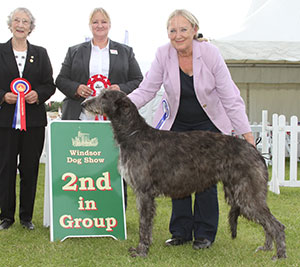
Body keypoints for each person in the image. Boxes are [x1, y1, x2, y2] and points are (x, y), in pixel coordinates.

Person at [128, 9, 255, 250]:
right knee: (177, 179)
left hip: (209, 122)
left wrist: (246, 134)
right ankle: (181, 232)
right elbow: (146, 90)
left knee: (205, 180)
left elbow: (230, 96)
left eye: (183, 29)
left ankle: (205, 233)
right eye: (172, 30)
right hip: (176, 123)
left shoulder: (210, 54)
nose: (178, 35)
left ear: (194, 30)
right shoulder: (162, 54)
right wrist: (120, 101)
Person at [55, 7, 143, 207]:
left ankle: (115, 208)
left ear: (109, 25)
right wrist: (77, 88)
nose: (99, 25)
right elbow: (60, 80)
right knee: (81, 161)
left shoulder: (125, 51)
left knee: (114, 162)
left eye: (103, 21)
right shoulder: (75, 51)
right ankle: (78, 205)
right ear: (90, 25)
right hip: (82, 116)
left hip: (114, 120)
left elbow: (138, 79)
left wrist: (120, 88)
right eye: (95, 22)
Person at [0, 7, 56, 230]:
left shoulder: (40, 53)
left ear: (31, 27)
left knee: (30, 168)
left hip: (33, 121)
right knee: (5, 167)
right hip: (5, 121)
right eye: (17, 20)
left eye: (25, 21)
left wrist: (38, 95)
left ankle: (26, 217)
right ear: (10, 24)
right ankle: (6, 216)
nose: (20, 25)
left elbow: (49, 85)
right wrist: (3, 95)